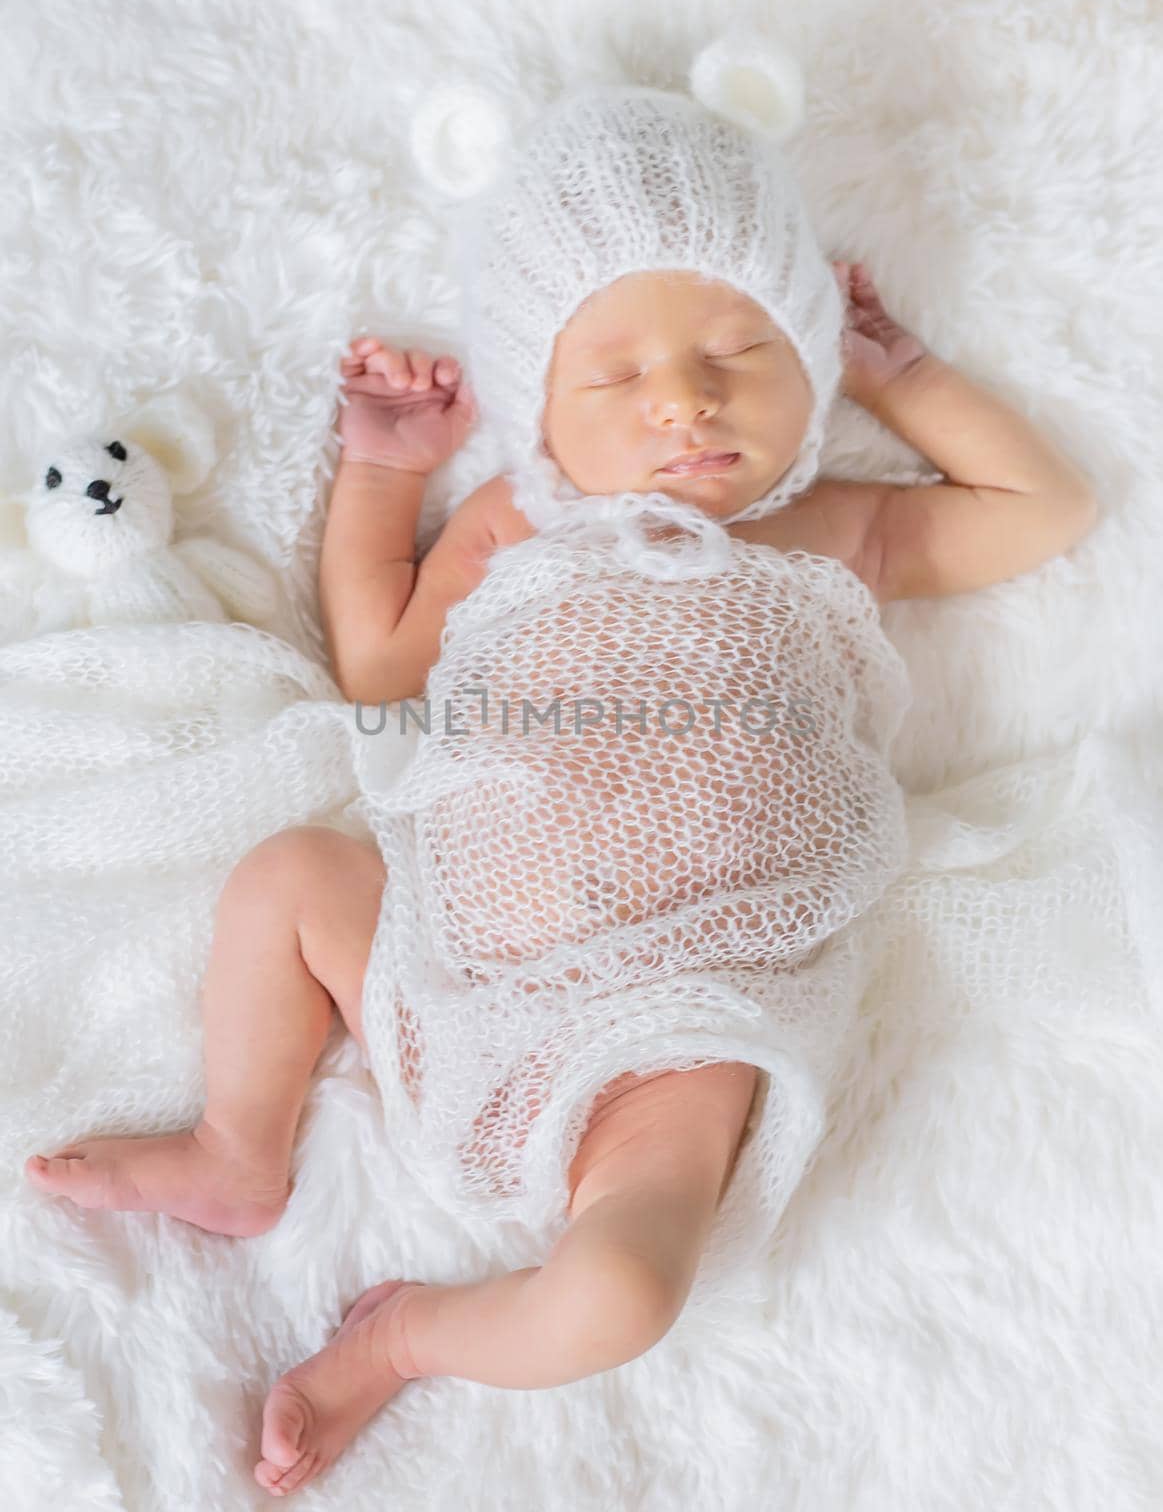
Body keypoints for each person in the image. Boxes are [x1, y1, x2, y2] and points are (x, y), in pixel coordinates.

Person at [24, 84, 1099, 1500]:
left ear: (815, 370)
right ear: (538, 409)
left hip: (686, 1031)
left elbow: (1047, 510)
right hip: (455, 980)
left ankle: (404, 1340)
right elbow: (376, 659)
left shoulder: (835, 529)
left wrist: (904, 375)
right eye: (616, 373)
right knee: (286, 878)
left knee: (620, 1299)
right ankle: (241, 1147)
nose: (686, 398)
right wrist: (382, 473)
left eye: (744, 346)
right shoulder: (520, 523)